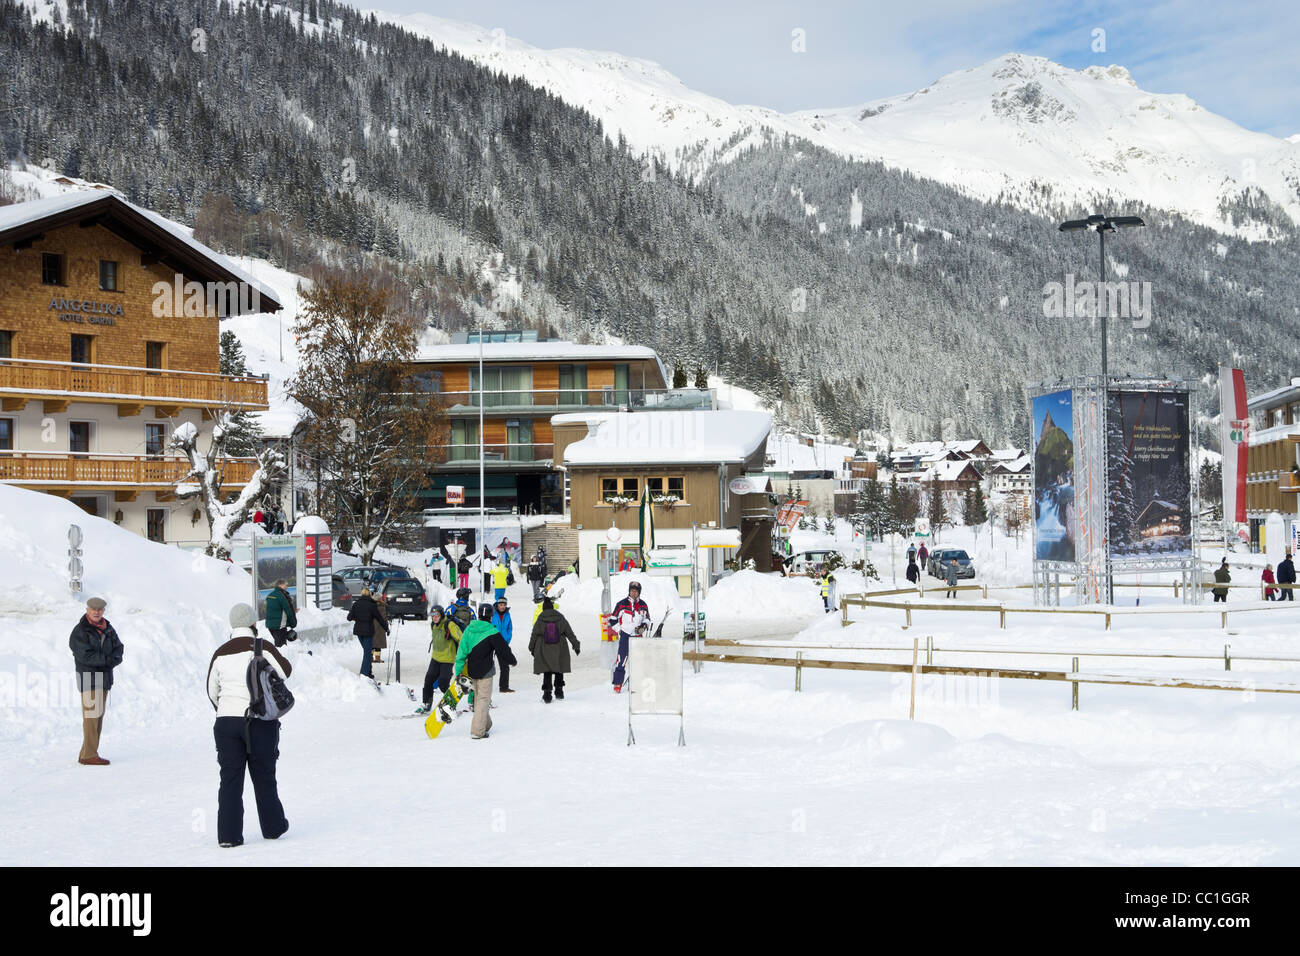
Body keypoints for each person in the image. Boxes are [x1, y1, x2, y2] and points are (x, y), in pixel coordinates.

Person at [206, 603, 291, 848]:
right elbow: (285, 671)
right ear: (254, 623)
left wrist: (226, 710)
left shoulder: (220, 652)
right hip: (259, 721)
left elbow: (212, 691)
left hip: (225, 723)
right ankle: (273, 827)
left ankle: (228, 836)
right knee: (264, 774)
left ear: (233, 625)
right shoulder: (262, 647)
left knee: (230, 779)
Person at [69, 596, 123, 766]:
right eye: (94, 609)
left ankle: (86, 753)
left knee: (97, 717)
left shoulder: (108, 628)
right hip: (89, 678)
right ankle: (89, 755)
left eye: (99, 610)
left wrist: (113, 658)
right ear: (87, 610)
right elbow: (85, 655)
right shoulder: (80, 631)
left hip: (104, 678)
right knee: (92, 718)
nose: (97, 612)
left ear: (103, 611)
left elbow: (119, 649)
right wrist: (109, 660)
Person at [454, 604, 518, 739]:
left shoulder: (469, 630)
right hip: (486, 672)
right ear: (490, 616)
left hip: (471, 671)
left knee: (479, 698)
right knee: (483, 699)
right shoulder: (492, 631)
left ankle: (486, 724)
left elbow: (461, 653)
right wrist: (512, 660)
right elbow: (503, 649)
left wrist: (459, 673)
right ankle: (478, 731)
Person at [529, 597, 580, 703]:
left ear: (543, 608)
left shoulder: (540, 619)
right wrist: (576, 645)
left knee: (547, 671)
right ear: (552, 608)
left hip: (544, 647)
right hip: (560, 646)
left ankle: (547, 694)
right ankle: (559, 692)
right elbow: (569, 633)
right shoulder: (560, 618)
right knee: (559, 669)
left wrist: (531, 647)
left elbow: (534, 635)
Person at [417, 605, 462, 714]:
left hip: (448, 659)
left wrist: (462, 655)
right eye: (433, 616)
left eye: (437, 615)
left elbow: (461, 638)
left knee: (443, 683)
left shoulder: (449, 624)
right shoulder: (433, 625)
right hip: (436, 658)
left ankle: (451, 705)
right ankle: (426, 703)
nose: (435, 618)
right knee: (428, 681)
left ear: (441, 615)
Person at [608, 581, 649, 693]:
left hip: (638, 636)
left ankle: (634, 683)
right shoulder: (622, 604)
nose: (633, 593)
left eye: (636, 591)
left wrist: (643, 626)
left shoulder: (643, 605)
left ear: (639, 592)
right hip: (625, 635)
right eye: (632, 591)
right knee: (621, 660)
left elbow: (647, 619)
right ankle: (618, 683)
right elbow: (612, 619)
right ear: (629, 591)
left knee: (637, 660)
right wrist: (619, 630)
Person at [346, 587, 387, 679]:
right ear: (370, 595)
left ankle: (368, 672)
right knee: (367, 653)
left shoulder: (356, 604)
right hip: (368, 631)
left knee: (367, 652)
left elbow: (349, 617)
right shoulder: (372, 605)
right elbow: (379, 618)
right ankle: (364, 674)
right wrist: (386, 628)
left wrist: (358, 617)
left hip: (359, 632)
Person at [491, 596, 515, 693]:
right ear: (497, 605)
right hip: (492, 642)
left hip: (504, 643)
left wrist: (507, 639)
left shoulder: (508, 615)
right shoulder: (493, 614)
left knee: (504, 666)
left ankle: (504, 687)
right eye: (501, 605)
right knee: (486, 665)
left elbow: (510, 628)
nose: (502, 607)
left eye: (504, 605)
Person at [264, 579, 297, 647]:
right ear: (280, 585)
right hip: (280, 626)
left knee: (278, 644)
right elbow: (289, 610)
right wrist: (293, 623)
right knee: (281, 647)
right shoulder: (282, 596)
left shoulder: (270, 595)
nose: (287, 587)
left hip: (270, 625)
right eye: (286, 585)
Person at [372, 592, 389, 665]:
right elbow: (384, 618)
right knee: (378, 644)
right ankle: (377, 658)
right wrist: (387, 627)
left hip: (372, 626)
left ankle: (370, 657)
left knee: (372, 643)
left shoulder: (371, 606)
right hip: (380, 627)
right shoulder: (383, 607)